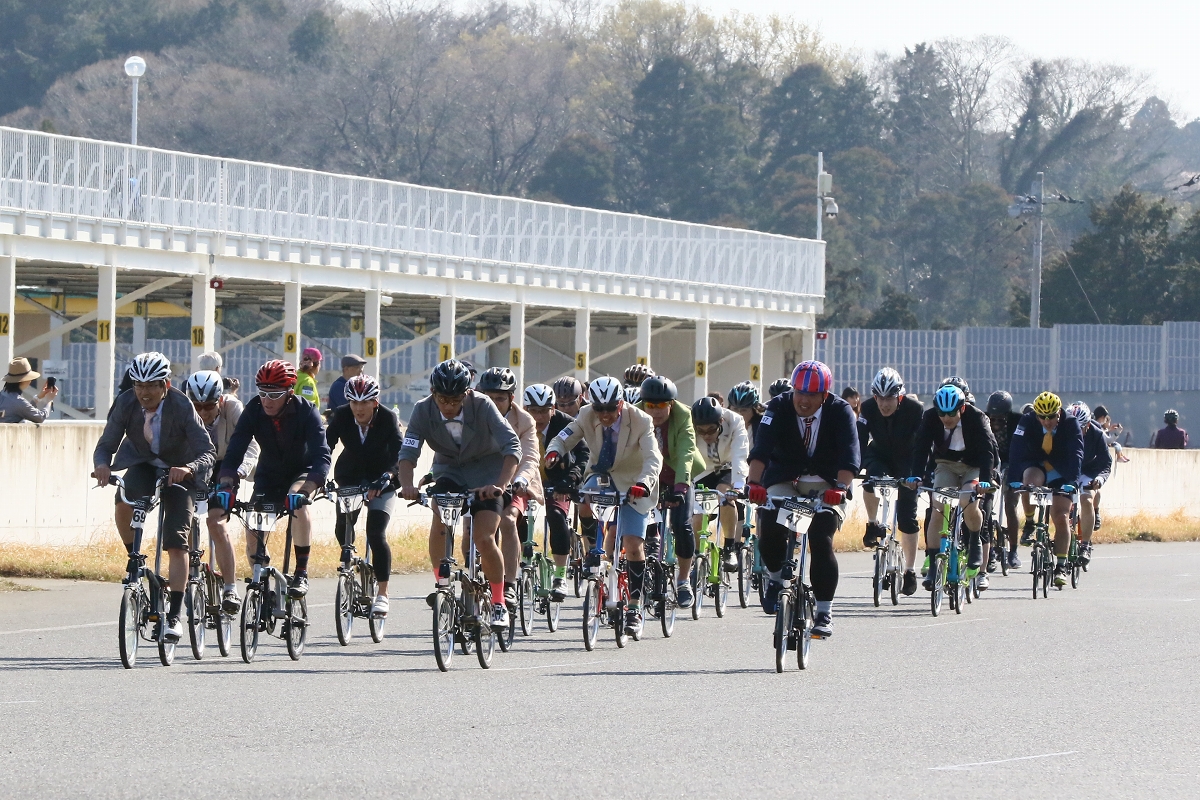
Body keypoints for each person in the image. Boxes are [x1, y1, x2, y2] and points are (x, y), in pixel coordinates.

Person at [93, 352, 215, 643]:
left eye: (151, 386)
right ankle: (134, 558)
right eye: (139, 385)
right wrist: (101, 465)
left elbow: (207, 451)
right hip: (143, 463)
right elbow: (106, 443)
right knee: (124, 500)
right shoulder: (125, 403)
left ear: (166, 385)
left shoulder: (182, 405)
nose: (144, 393)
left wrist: (188, 468)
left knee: (176, 540)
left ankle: (174, 616)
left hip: (180, 471)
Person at [398, 359, 521, 631]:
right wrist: (407, 485)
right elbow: (408, 452)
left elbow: (512, 445)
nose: (449, 406)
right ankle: (441, 583)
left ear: (467, 393)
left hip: (488, 475)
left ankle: (499, 601)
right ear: (432, 393)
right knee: (440, 519)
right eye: (442, 399)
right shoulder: (422, 410)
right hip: (450, 472)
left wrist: (500, 484)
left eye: (455, 400)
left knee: (484, 536)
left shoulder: (483, 405)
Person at [746, 360, 859, 639]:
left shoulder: (841, 411)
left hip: (827, 483)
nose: (803, 400)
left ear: (824, 396)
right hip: (785, 478)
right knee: (769, 522)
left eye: (811, 395)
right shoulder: (778, 406)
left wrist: (842, 486)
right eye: (799, 392)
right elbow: (762, 448)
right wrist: (754, 483)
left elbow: (850, 454)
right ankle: (774, 579)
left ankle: (824, 611)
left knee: (821, 539)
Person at [545, 376, 662, 637]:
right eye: (600, 409)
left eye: (611, 408)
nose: (605, 414)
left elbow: (654, 458)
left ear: (621, 404)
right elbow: (563, 438)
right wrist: (553, 452)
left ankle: (634, 606)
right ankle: (592, 553)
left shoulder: (641, 420)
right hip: (600, 478)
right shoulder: (586, 415)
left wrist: (644, 483)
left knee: (632, 543)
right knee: (584, 503)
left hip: (634, 484)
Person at [218, 359, 331, 599]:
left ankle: (301, 573)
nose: (267, 400)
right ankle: (262, 579)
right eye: (262, 393)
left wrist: (310, 488)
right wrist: (227, 483)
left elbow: (322, 455)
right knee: (252, 528)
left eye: (275, 394)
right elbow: (235, 451)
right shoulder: (254, 409)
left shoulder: (306, 411)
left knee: (297, 500)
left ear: (290, 391)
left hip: (302, 472)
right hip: (269, 474)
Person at [325, 374, 402, 618]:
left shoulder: (389, 418)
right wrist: (319, 475)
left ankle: (383, 594)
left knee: (376, 534)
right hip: (351, 477)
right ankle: (353, 559)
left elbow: (401, 454)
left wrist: (388, 475)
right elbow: (325, 447)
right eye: (354, 403)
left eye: (364, 403)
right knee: (342, 527)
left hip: (382, 480)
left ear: (375, 403)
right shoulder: (341, 415)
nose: (358, 408)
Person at [907, 385, 997, 591]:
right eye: (941, 413)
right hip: (946, 464)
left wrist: (985, 479)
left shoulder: (977, 418)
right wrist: (916, 474)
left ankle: (974, 541)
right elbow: (921, 447)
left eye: (951, 413)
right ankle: (933, 563)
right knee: (938, 505)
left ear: (962, 409)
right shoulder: (930, 418)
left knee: (967, 500)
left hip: (973, 466)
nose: (946, 418)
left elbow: (987, 451)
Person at [184, 370, 259, 613]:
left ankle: (229, 588)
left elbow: (253, 444)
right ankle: (187, 574)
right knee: (184, 519)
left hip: (227, 465)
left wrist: (238, 471)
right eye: (197, 406)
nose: (203, 413)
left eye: (208, 406)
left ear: (220, 400)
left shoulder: (233, 407)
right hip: (196, 465)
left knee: (216, 522)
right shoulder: (185, 411)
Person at [475, 367, 543, 610]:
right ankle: (471, 572)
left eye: (500, 398)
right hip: (480, 480)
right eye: (489, 398)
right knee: (469, 523)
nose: (494, 403)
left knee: (507, 520)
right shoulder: (472, 413)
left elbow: (530, 457)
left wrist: (522, 480)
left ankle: (510, 583)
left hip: (515, 482)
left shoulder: (524, 420)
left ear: (511, 399)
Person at [636, 375, 705, 608]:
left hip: (677, 475)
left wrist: (681, 487)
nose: (655, 411)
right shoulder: (634, 414)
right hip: (647, 475)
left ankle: (684, 580)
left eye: (662, 406)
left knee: (681, 524)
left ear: (671, 404)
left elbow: (686, 452)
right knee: (640, 523)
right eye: (650, 405)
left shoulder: (683, 415)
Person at [1008, 391, 1084, 588]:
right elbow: (1015, 448)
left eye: (1051, 417)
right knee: (1028, 485)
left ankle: (1060, 565)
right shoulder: (1027, 420)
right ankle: (1031, 522)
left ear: (1059, 413)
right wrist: (1014, 479)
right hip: (1037, 463)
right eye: (1042, 417)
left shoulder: (1071, 423)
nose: (1047, 421)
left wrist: (1073, 481)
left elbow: (1077, 452)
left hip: (1062, 469)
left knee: (1060, 516)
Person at [858, 367, 923, 595]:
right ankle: (873, 523)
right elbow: (859, 440)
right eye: (880, 398)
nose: (884, 404)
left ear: (900, 397)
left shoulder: (915, 410)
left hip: (908, 460)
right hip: (880, 455)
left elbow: (923, 446)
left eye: (890, 398)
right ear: (874, 397)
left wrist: (919, 473)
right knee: (869, 479)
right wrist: (852, 468)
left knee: (907, 519)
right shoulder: (866, 408)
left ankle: (910, 570)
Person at [522, 383, 589, 601]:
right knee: (514, 518)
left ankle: (560, 576)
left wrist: (570, 480)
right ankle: (521, 562)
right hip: (527, 480)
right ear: (526, 409)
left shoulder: (566, 423)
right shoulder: (518, 423)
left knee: (557, 517)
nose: (539, 417)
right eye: (534, 411)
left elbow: (583, 454)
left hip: (559, 480)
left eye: (544, 411)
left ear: (553, 408)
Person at [690, 396, 750, 571]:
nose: (706, 435)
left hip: (728, 466)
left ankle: (730, 548)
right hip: (703, 470)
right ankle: (697, 553)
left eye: (711, 430)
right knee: (699, 513)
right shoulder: (689, 424)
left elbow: (740, 454)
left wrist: (738, 485)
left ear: (720, 421)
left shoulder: (735, 421)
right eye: (701, 431)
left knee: (725, 494)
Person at [1067, 402, 1110, 567]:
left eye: (1081, 429)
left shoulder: (1097, 435)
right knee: (1059, 502)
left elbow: (1106, 463)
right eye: (1073, 429)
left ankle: (1085, 544)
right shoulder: (1062, 433)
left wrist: (1099, 479)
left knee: (1086, 500)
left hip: (1088, 471)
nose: (1076, 433)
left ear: (1089, 425)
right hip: (1069, 470)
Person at [984, 390, 1024, 570]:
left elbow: (1022, 450)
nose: (996, 423)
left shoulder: (1018, 421)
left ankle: (1013, 550)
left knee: (1010, 503)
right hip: (991, 462)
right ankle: (989, 549)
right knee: (985, 504)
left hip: (1012, 462)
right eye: (993, 419)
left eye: (1001, 420)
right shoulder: (982, 420)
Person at [0, 357, 57, 423]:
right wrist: (49, 400)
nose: (30, 381)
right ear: (23, 380)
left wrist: (38, 397)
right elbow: (40, 417)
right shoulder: (17, 401)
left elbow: (23, 409)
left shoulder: (3, 394)